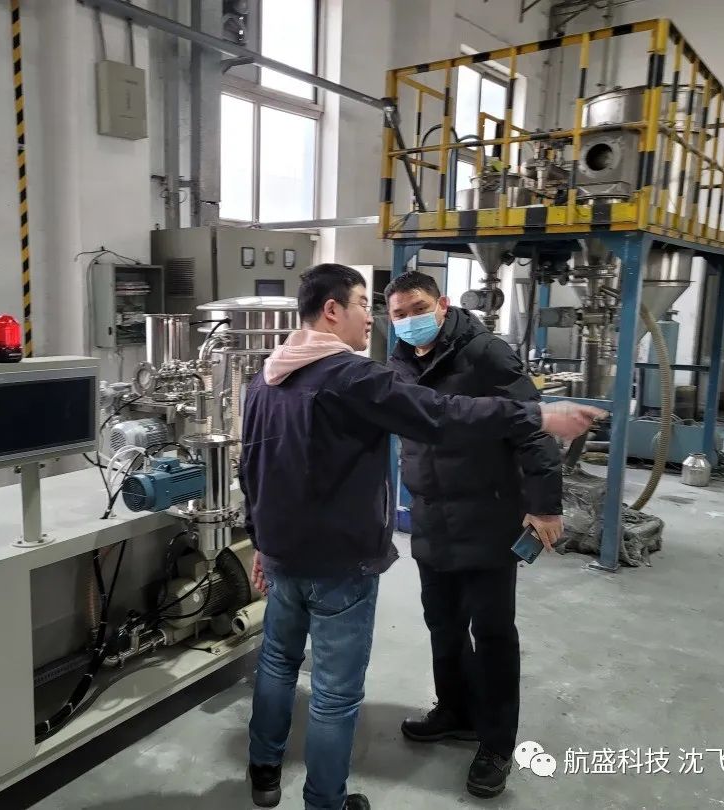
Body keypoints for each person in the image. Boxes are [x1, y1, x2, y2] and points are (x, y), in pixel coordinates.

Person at [239, 263, 602, 810]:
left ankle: (266, 772)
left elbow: (251, 468)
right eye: (369, 306)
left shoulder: (265, 378)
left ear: (443, 306)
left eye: (413, 311)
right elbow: (440, 414)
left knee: (281, 663)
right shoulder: (362, 374)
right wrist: (540, 415)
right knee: (345, 686)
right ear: (332, 310)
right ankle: (331, 798)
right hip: (357, 553)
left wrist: (259, 540)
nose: (380, 320)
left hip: (469, 520)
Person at [385, 270, 563, 799]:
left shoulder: (487, 354)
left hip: (487, 515)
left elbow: (533, 426)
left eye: (418, 309)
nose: (409, 321)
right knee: (442, 624)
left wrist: (544, 505)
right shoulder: (399, 361)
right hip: (430, 517)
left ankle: (496, 742)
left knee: (492, 633)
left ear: (442, 305)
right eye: (398, 314)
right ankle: (456, 711)